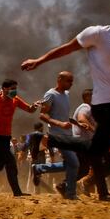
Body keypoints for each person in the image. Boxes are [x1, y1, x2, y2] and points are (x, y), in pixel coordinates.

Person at [22, 0, 110, 200]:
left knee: (94, 149)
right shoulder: (98, 34)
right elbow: (67, 48)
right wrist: (39, 60)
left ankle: (45, 138)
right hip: (106, 105)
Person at [0, 79, 40, 197]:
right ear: (4, 88)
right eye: (12, 88)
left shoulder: (15, 100)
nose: (14, 91)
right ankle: (17, 192)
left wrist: (34, 106)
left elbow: (29, 109)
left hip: (6, 136)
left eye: (15, 88)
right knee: (11, 161)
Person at [30, 71, 80, 199]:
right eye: (68, 81)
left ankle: (39, 168)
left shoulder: (67, 95)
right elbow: (43, 115)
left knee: (71, 163)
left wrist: (78, 124)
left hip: (68, 134)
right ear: (59, 80)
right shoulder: (51, 94)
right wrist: (60, 124)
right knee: (74, 163)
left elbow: (63, 116)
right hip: (57, 134)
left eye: (72, 81)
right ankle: (70, 193)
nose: (71, 84)